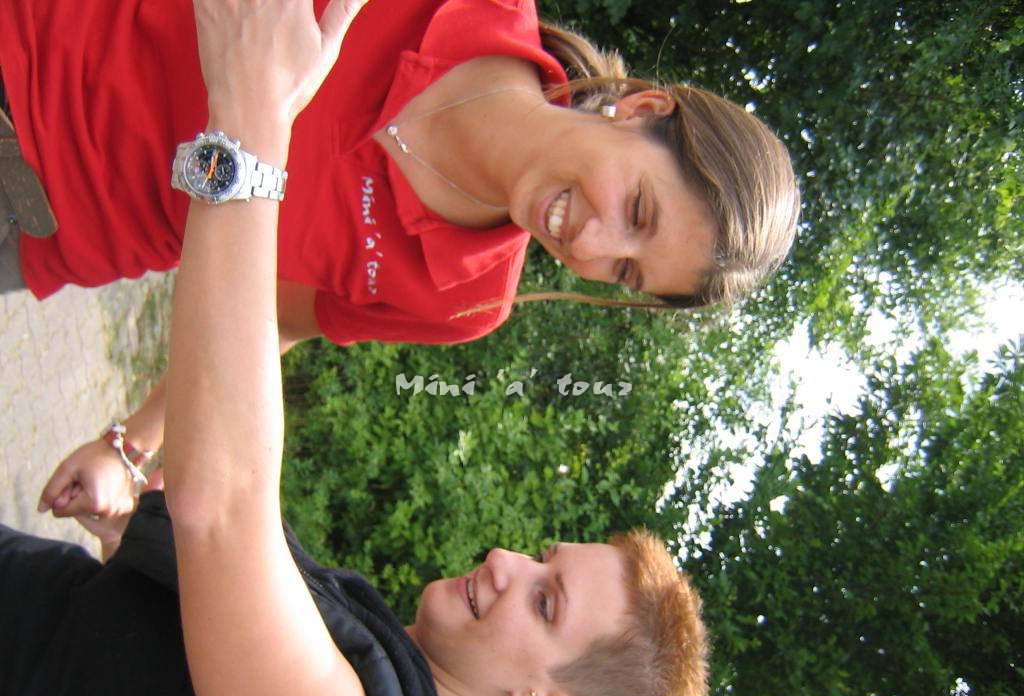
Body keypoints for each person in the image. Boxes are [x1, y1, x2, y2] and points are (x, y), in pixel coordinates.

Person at [0, 2, 709, 696]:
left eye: (545, 601)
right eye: (541, 558)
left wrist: (250, 115)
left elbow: (220, 505)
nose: (507, 560)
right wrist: (140, 516)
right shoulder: (359, 653)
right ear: (638, 110)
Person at [11, 0, 798, 519]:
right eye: (638, 209)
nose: (589, 246)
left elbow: (270, 322)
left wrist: (128, 449)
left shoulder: (464, 303)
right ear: (641, 110)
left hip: (41, 226)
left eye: (625, 270)